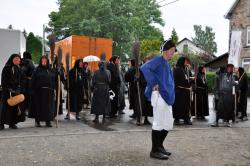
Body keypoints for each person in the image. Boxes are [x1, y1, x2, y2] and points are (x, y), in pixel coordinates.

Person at [141, 39, 176, 160]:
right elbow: (144, 68)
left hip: (167, 97)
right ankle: (154, 150)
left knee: (168, 123)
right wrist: (154, 82)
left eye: (174, 51)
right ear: (165, 50)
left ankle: (159, 146)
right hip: (159, 96)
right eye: (172, 50)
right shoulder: (158, 60)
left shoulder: (167, 63)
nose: (173, 53)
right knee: (158, 123)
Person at [0, 54, 25, 130]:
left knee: (14, 108)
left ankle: (12, 123)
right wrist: (8, 88)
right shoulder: (6, 68)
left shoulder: (19, 69)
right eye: (16, 59)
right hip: (7, 91)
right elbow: (3, 80)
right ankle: (1, 124)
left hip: (15, 91)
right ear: (12, 60)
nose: (18, 60)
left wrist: (18, 88)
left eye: (19, 59)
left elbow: (21, 80)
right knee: (4, 109)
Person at [29, 56, 54, 127]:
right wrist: (32, 90)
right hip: (39, 92)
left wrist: (58, 73)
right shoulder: (37, 70)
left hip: (49, 91)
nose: (44, 62)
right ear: (40, 61)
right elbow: (32, 80)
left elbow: (54, 78)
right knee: (38, 107)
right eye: (43, 60)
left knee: (48, 108)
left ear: (47, 61)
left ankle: (48, 121)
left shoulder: (50, 70)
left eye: (45, 60)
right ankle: (37, 121)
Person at [172, 57, 193, 125]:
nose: (187, 63)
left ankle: (186, 118)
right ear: (182, 61)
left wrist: (191, 79)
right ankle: (177, 119)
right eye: (185, 61)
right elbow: (175, 80)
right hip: (179, 90)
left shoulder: (186, 69)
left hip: (186, 91)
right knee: (178, 105)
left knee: (186, 106)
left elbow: (188, 77)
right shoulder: (176, 69)